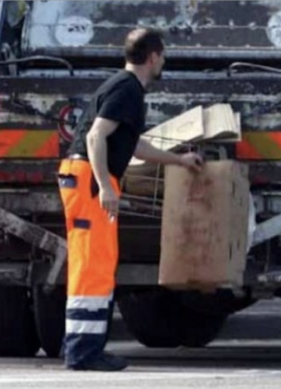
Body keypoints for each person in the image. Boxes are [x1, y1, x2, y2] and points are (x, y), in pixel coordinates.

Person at [59, 28, 203, 372]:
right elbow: (96, 136)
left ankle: (83, 348)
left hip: (84, 178)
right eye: (163, 56)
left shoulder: (124, 88)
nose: (164, 62)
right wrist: (105, 186)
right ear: (152, 56)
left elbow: (133, 144)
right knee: (93, 265)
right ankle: (83, 352)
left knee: (96, 262)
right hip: (90, 180)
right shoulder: (126, 90)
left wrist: (179, 160)